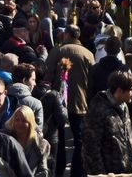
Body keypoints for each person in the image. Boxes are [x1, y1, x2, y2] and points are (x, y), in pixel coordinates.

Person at [44, 26, 92, 177]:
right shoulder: (88, 54)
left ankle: (58, 170)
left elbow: (48, 74)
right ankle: (78, 172)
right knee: (79, 140)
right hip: (81, 102)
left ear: (66, 35)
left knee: (58, 138)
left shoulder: (57, 51)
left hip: (58, 102)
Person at [81, 69, 132, 175]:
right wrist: (100, 173)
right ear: (119, 91)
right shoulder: (98, 110)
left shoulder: (124, 106)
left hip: (124, 172)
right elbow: (91, 147)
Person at [8, 106, 51, 177]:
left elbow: (43, 169)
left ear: (30, 123)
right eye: (17, 120)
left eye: (24, 120)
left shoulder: (41, 144)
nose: (19, 123)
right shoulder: (8, 142)